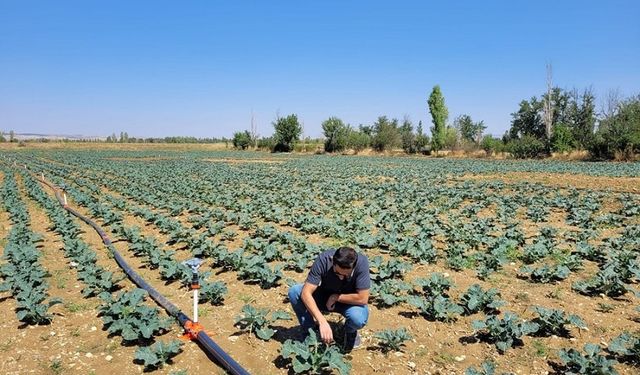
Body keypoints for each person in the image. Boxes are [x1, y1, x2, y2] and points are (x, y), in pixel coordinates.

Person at [288, 246, 370, 352]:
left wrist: (336, 297)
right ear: (333, 262)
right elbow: (306, 292)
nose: (341, 277)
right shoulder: (324, 259)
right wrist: (322, 321)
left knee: (358, 318)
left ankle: (349, 332)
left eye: (346, 275)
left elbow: (363, 298)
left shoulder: (362, 263)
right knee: (295, 291)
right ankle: (310, 332)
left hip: (348, 301)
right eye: (337, 273)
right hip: (324, 297)